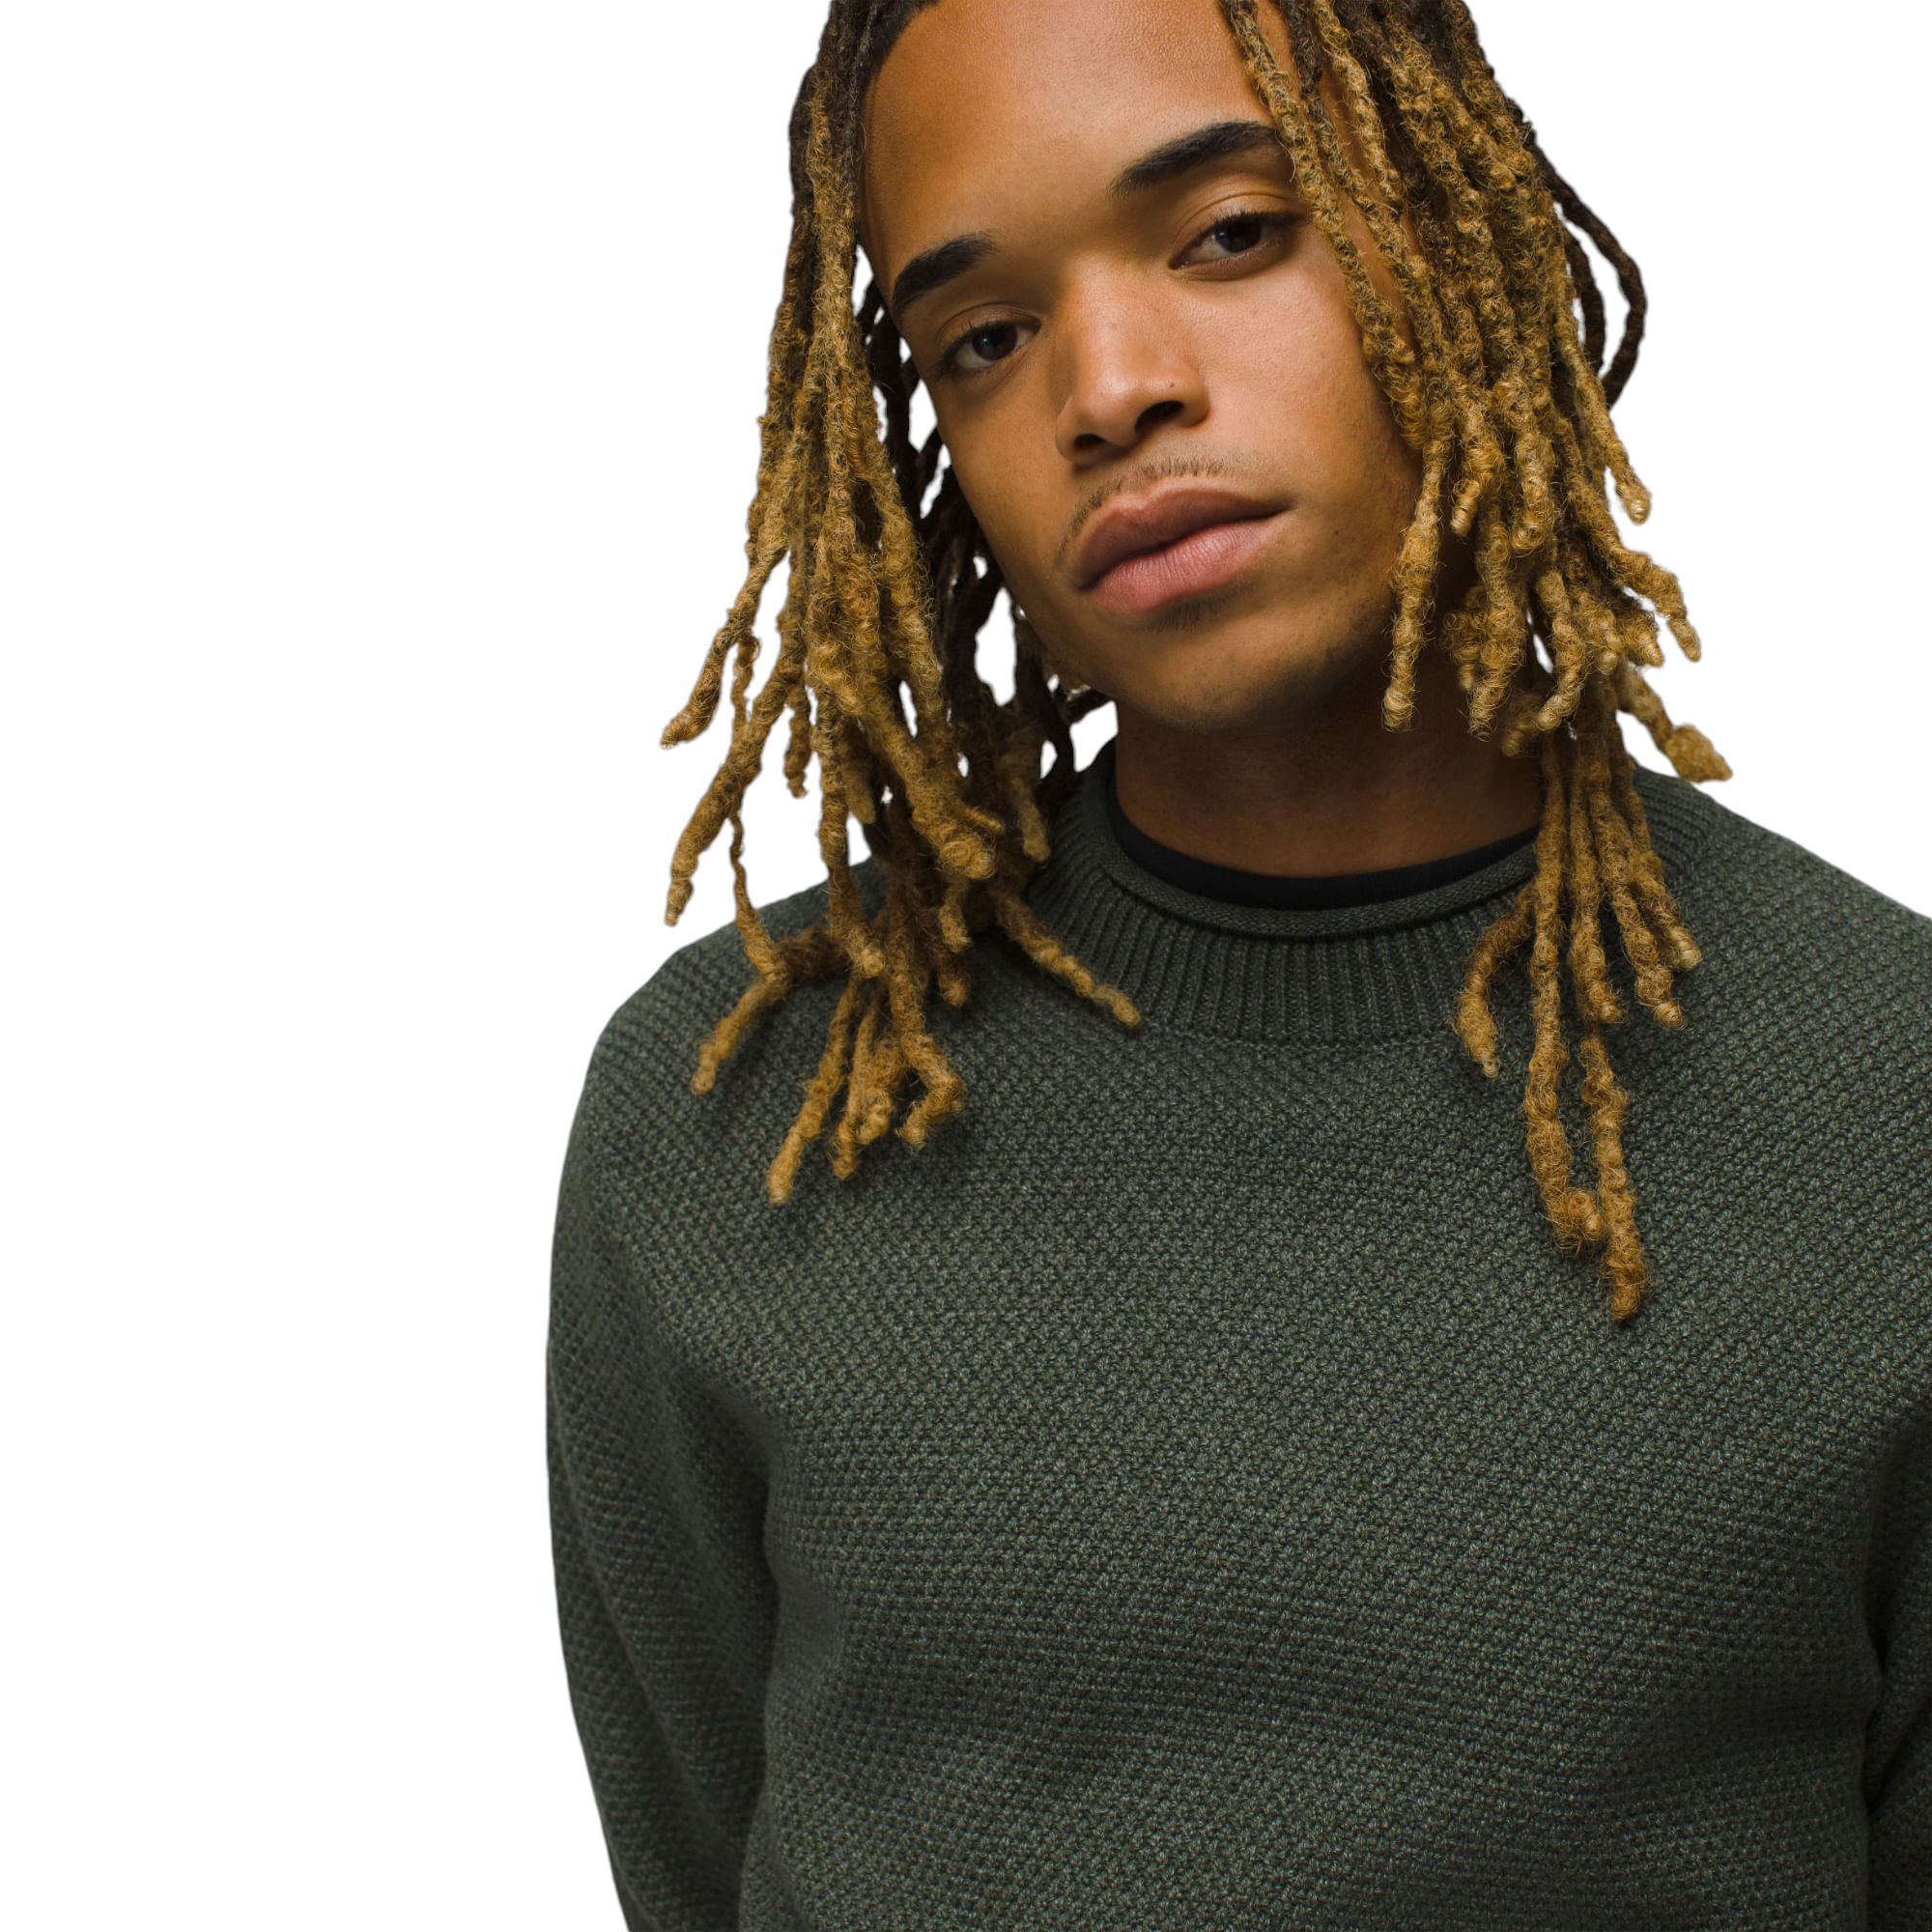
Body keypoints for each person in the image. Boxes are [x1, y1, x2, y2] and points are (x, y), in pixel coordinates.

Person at [546, 0, 1931, 1923]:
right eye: (983, 338)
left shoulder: (1886, 1098)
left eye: (1229, 234)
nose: (1109, 391)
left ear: (1457, 230)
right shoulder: (740, 1111)